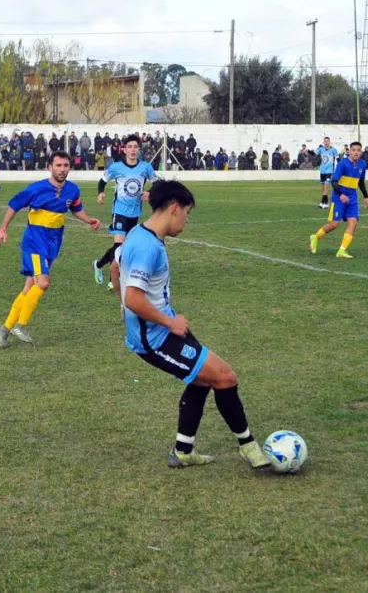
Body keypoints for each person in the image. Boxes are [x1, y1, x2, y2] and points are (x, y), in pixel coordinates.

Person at [114, 180, 271, 470]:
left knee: (201, 379)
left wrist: (124, 306)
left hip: (161, 328)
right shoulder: (149, 247)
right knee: (225, 377)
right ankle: (249, 447)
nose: (186, 221)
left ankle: (183, 451)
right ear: (174, 208)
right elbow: (135, 298)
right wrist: (167, 321)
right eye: (186, 213)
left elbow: (115, 264)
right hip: (155, 337)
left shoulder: (137, 233)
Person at [0, 152, 102, 347]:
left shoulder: (72, 190)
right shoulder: (37, 188)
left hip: (53, 242)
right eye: (58, 165)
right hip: (35, 242)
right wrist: (2, 229)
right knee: (43, 283)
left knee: (29, 288)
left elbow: (76, 209)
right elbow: (14, 205)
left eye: (66, 165)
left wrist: (89, 220)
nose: (62, 169)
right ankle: (21, 325)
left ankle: (4, 328)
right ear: (50, 167)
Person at [92, 134, 157, 289]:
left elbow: (157, 184)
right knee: (119, 246)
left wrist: (150, 192)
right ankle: (112, 279)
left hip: (135, 213)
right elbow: (102, 181)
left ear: (139, 149)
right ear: (124, 149)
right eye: (130, 147)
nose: (133, 150)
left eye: (135, 147)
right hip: (119, 211)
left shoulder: (146, 168)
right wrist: (101, 193)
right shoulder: (116, 167)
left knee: (125, 248)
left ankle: (99, 264)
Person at [309, 141, 368, 259]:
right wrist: (341, 194)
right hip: (339, 197)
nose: (356, 152)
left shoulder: (362, 164)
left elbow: (361, 182)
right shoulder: (343, 164)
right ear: (349, 151)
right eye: (353, 150)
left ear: (361, 152)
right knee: (334, 224)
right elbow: (334, 181)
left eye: (358, 150)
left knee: (353, 222)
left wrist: (366, 196)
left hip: (352, 197)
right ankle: (315, 237)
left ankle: (341, 251)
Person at [316, 136, 338, 208]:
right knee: (324, 188)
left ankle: (322, 203)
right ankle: (326, 203)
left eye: (327, 141)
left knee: (326, 186)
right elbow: (315, 154)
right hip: (322, 171)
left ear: (329, 142)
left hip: (329, 171)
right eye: (325, 141)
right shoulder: (321, 149)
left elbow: (338, 159)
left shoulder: (333, 150)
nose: (326, 142)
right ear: (323, 142)